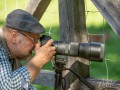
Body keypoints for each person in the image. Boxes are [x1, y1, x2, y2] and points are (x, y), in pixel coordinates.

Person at [0, 9, 56, 90]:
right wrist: (39, 60)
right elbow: (8, 86)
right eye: (34, 39)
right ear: (14, 36)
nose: (37, 45)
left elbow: (22, 86)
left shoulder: (13, 55)